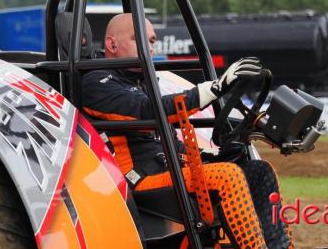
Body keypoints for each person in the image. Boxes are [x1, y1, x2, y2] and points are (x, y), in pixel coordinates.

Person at [81, 13, 293, 249]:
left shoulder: (142, 80)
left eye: (152, 41)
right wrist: (215, 88)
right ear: (112, 44)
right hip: (140, 179)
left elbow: (166, 138)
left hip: (171, 168)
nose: (150, 47)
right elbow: (148, 113)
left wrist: (208, 157)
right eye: (139, 39)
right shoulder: (96, 82)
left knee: (260, 171)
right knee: (227, 176)